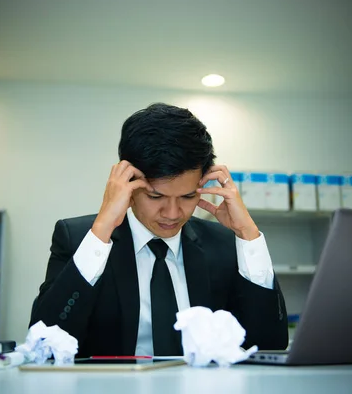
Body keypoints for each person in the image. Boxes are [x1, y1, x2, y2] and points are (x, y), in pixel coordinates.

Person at [30, 103, 288, 356]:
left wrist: (248, 235)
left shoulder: (223, 244)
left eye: (188, 197)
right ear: (127, 185)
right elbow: (44, 344)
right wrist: (102, 230)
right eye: (155, 197)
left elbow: (270, 344)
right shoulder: (79, 239)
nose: (173, 214)